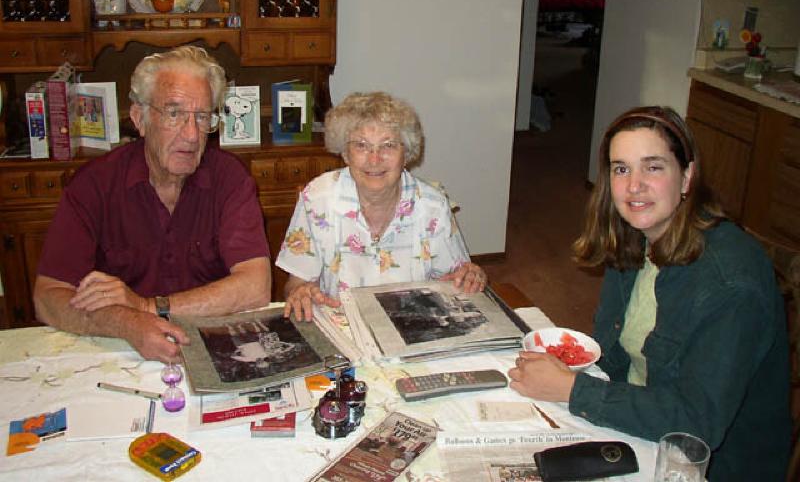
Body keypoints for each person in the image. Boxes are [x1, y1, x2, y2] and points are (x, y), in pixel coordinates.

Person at [507, 106, 791, 481]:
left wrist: (575, 390)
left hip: (708, 464)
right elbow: (616, 357)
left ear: (687, 176)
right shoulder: (635, 239)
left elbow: (697, 423)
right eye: (621, 168)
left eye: (653, 167)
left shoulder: (730, 285)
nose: (634, 185)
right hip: (638, 421)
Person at [34, 46, 271, 363]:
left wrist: (147, 307)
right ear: (139, 119)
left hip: (213, 346)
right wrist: (128, 322)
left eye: (202, 117)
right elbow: (48, 296)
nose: (191, 134)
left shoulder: (230, 179)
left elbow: (256, 286)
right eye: (174, 114)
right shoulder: (95, 184)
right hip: (122, 350)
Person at [277, 91, 487, 321]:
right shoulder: (316, 200)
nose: (375, 159)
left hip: (415, 327)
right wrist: (300, 292)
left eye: (388, 145)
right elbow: (295, 284)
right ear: (345, 153)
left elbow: (457, 280)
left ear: (406, 154)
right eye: (361, 145)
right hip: (342, 330)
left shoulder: (432, 206)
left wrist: (470, 276)